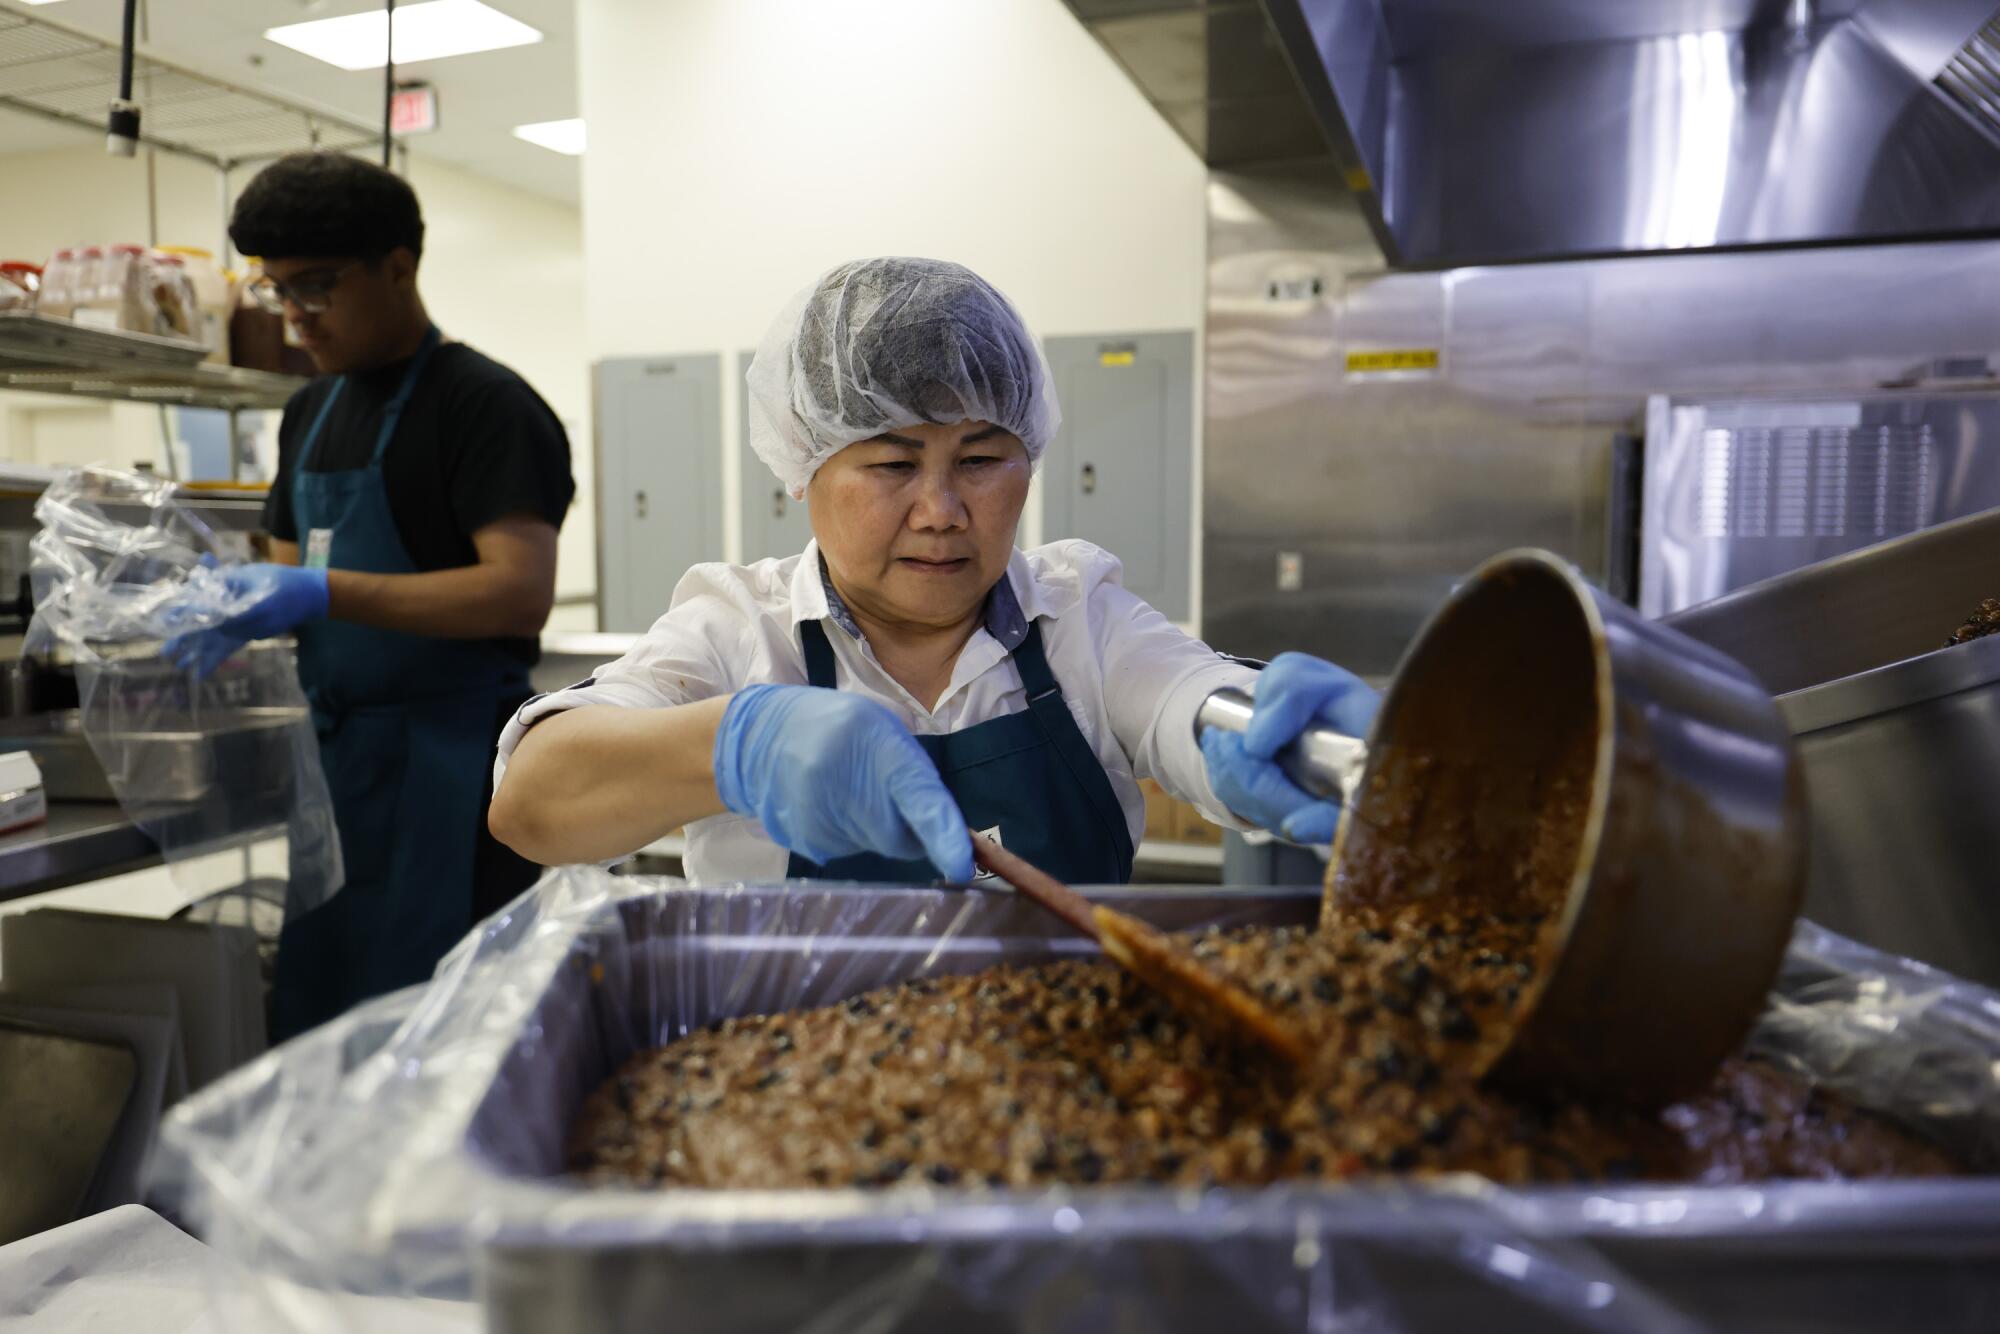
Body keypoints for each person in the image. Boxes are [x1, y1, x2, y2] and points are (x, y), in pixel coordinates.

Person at [489, 257, 1370, 885]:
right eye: (892, 465)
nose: (943, 510)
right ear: (804, 470)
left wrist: (1265, 736)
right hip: (790, 1097)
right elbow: (533, 806)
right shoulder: (736, 631)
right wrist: (738, 744)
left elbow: (1181, 698)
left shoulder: (1081, 621)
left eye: (983, 459)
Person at [166, 152, 575, 1038]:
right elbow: (281, 561)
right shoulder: (307, 412)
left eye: (315, 286)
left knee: (441, 1030)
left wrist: (317, 591)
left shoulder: (485, 405)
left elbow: (517, 592)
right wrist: (222, 599)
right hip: (338, 775)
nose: (294, 317)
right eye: (276, 291)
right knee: (323, 1016)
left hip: (453, 776)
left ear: (400, 266)